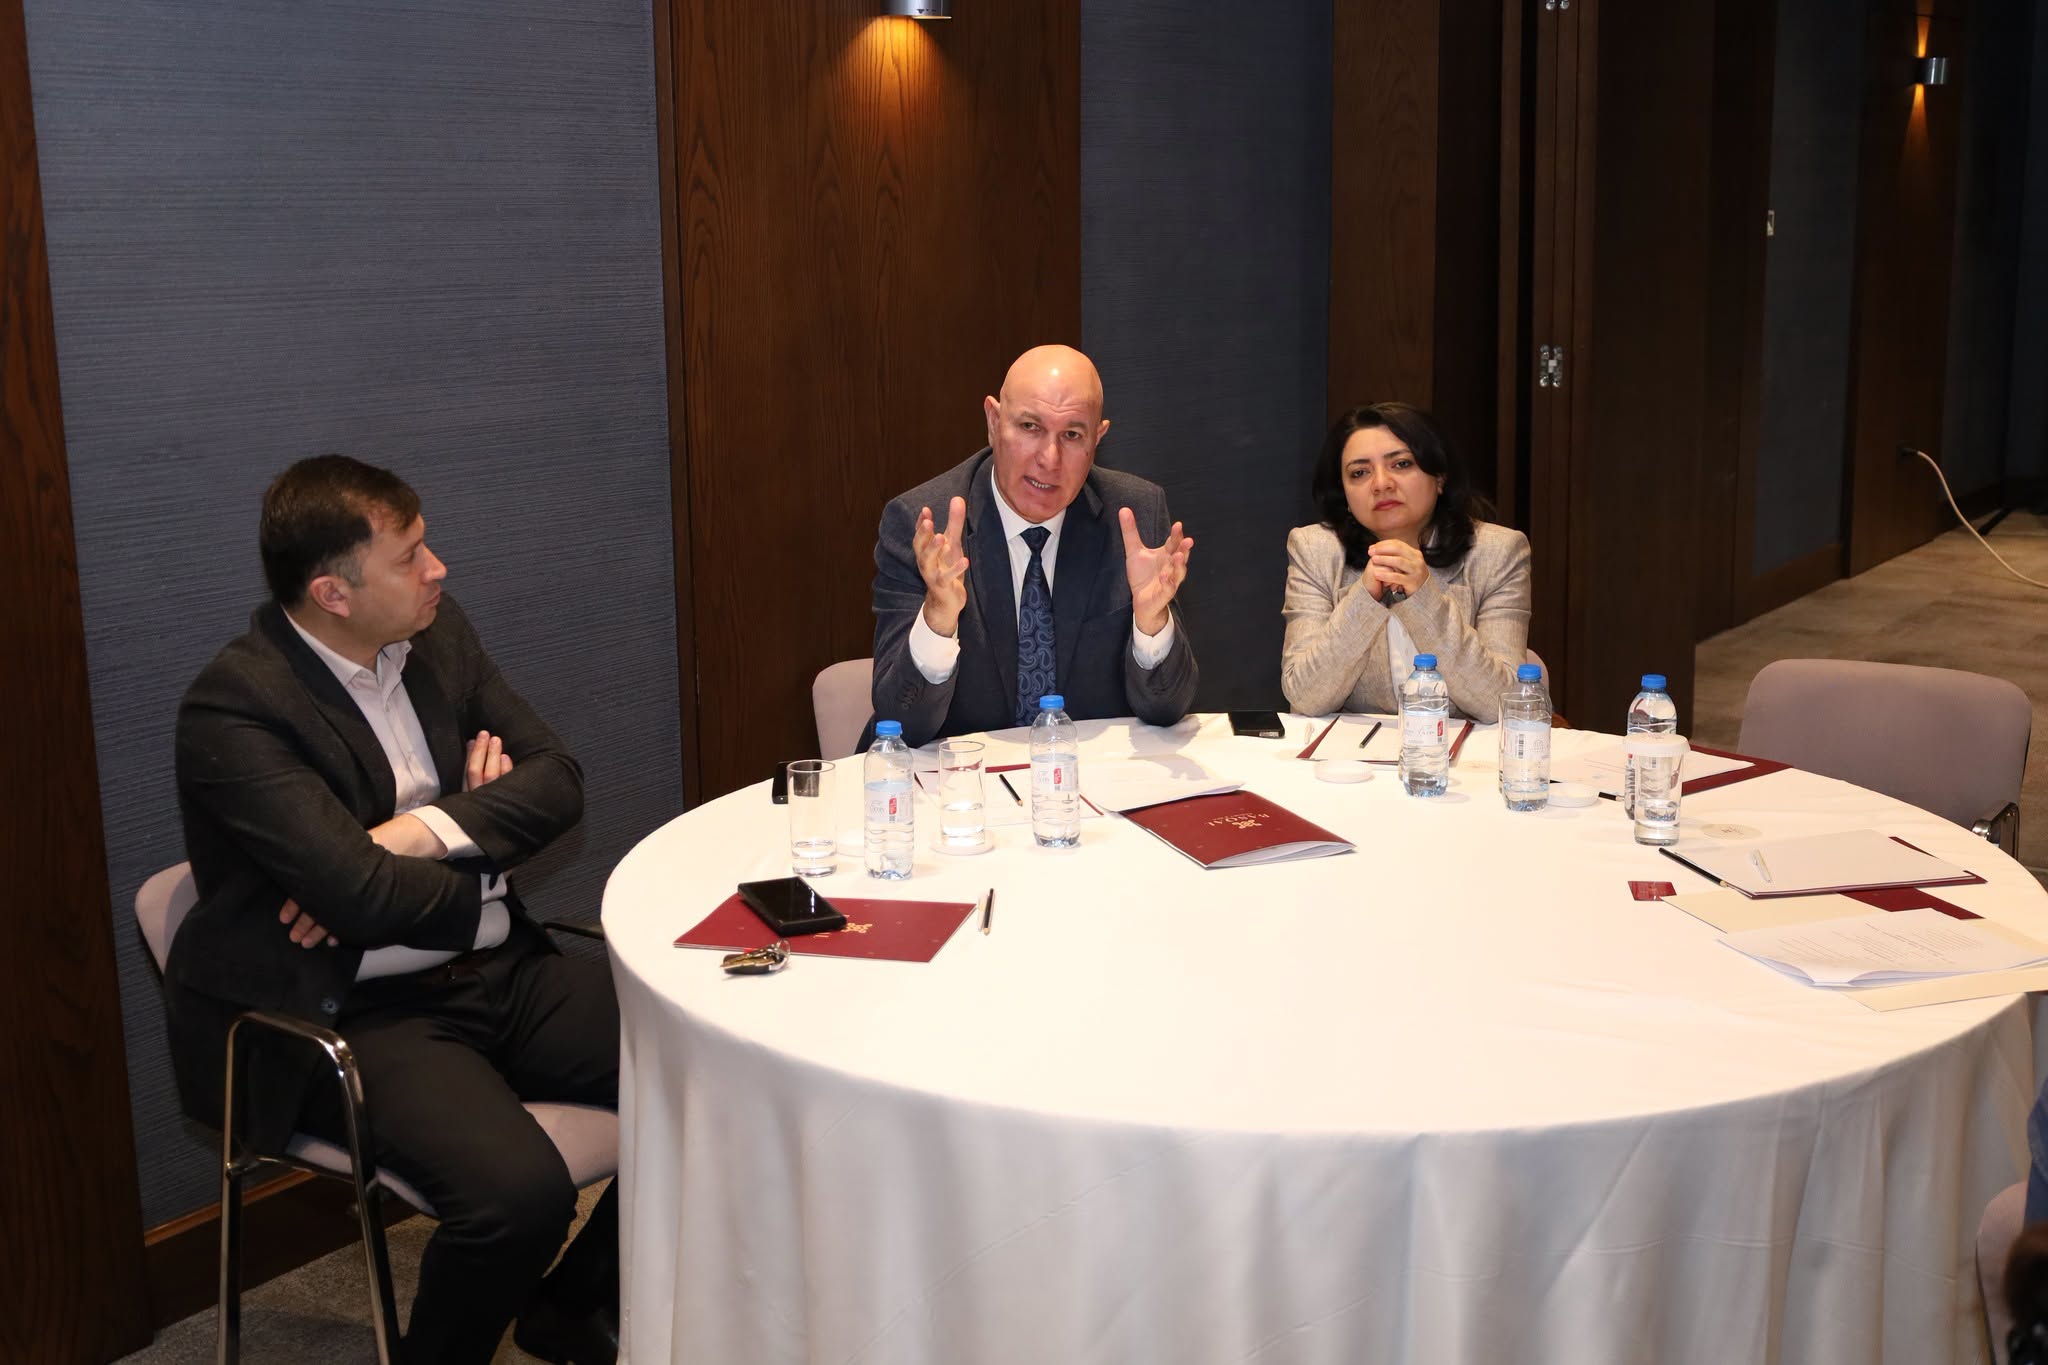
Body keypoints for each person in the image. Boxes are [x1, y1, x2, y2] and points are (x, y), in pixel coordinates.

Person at [169, 455, 618, 1364]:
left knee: (722, 1067)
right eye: (409, 556)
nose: (438, 568)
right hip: (354, 1009)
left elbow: (559, 781)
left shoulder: (436, 637)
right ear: (333, 593)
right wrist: (482, 843)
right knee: (518, 1198)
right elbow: (359, 900)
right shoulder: (236, 707)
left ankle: (571, 1309)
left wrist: (412, 833)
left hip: (498, 968)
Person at [869, 343, 1199, 746]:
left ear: (1098, 438)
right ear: (993, 422)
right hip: (962, 777)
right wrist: (939, 616)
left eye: (1072, 435)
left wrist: (1151, 623)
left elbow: (1167, 709)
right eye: (1030, 427)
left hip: (1084, 775)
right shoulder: (924, 526)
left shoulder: (1134, 516)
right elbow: (901, 724)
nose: (1049, 459)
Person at [1280, 402, 1531, 721]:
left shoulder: (1497, 552)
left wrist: (1424, 598)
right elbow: (1305, 697)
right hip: (1352, 750)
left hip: (1458, 749)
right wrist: (1364, 598)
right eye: (1360, 473)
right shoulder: (1315, 549)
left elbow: (1500, 703)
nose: (1381, 483)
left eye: (1401, 464)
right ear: (1344, 495)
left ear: (1439, 477)